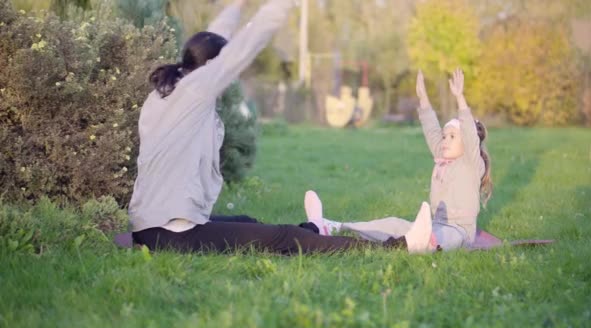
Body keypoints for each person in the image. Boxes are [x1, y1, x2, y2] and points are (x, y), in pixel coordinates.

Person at [128, 0, 424, 255]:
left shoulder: (171, 90)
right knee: (282, 237)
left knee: (248, 223)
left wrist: (238, 5)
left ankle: (314, 229)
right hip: (172, 235)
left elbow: (214, 39)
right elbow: (249, 41)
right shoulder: (198, 89)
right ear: (211, 68)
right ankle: (395, 247)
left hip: (148, 229)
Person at [304, 68, 493, 253]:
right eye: (445, 136)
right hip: (435, 225)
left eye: (452, 136)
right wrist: (423, 99)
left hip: (459, 231)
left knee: (446, 235)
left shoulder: (471, 164)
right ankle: (333, 227)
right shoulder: (442, 157)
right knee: (393, 224)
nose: (444, 141)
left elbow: (468, 133)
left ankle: (425, 242)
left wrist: (460, 98)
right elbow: (432, 130)